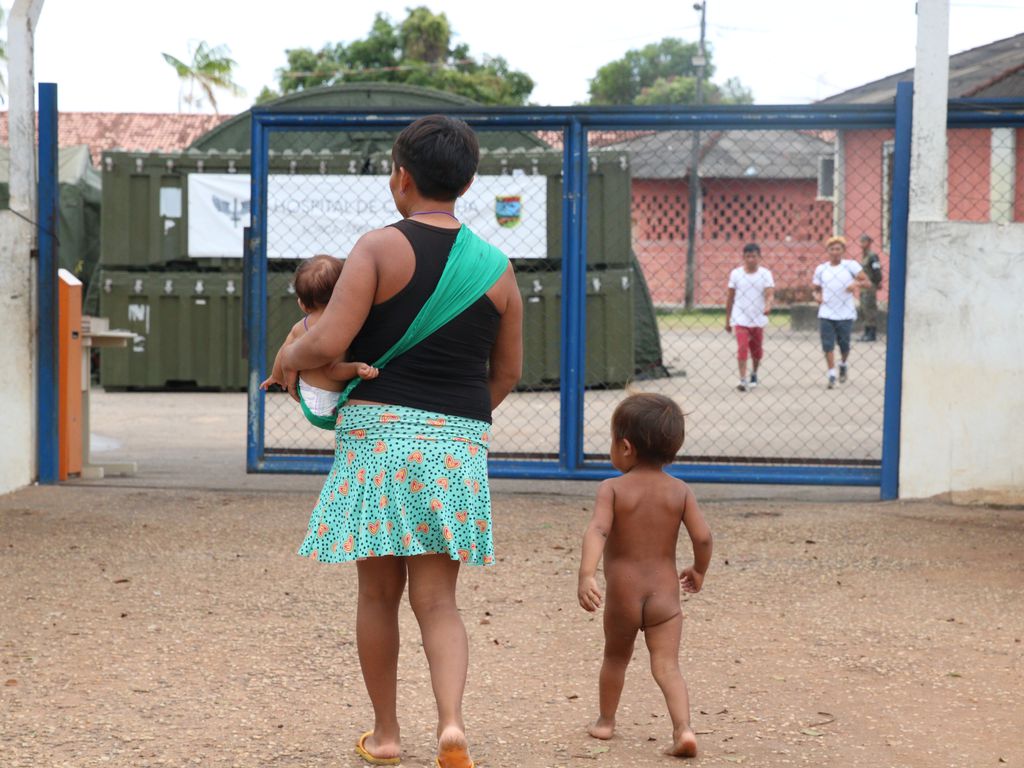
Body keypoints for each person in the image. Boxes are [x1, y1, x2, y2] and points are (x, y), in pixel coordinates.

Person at [265, 115, 524, 768]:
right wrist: (448, 427)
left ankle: (386, 735)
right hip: (456, 446)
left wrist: (288, 358)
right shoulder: (498, 270)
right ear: (467, 183)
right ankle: (452, 725)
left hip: (378, 442)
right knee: (439, 601)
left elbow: (328, 340)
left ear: (401, 178)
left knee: (378, 596)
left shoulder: (378, 248)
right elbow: (506, 375)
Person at [577, 393, 713, 759]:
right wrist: (699, 569)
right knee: (667, 665)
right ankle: (683, 728)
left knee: (615, 659)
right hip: (664, 597)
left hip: (623, 595)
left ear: (625, 446)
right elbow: (703, 537)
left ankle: (606, 721)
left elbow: (598, 530)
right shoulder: (680, 491)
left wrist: (587, 574)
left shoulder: (612, 489)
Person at [260, 254, 379, 430]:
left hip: (309, 400)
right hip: (330, 407)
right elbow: (332, 371)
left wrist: (276, 376)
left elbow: (284, 353)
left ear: (302, 304)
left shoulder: (299, 328)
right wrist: (356, 368)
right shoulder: (342, 325)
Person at [812, 235, 870, 389]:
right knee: (827, 344)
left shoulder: (850, 266)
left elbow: (867, 282)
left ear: (843, 251)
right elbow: (816, 288)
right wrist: (817, 296)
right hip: (826, 312)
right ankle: (831, 373)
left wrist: (856, 284)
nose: (835, 252)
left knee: (844, 344)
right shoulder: (821, 269)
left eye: (838, 249)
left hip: (845, 313)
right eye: (832, 249)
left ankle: (843, 364)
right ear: (828, 251)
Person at [724, 243, 774, 392]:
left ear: (760, 258)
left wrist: (768, 305)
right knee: (742, 348)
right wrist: (728, 320)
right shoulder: (736, 274)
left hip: (757, 317)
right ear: (743, 258)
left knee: (756, 351)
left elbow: (770, 293)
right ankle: (742, 379)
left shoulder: (765, 274)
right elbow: (730, 297)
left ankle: (754, 373)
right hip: (740, 317)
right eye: (748, 257)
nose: (751, 259)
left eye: (754, 256)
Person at [857, 234, 883, 342]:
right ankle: (866, 332)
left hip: (870, 286)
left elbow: (876, 271)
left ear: (868, 243)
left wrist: (876, 282)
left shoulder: (872, 256)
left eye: (863, 241)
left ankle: (871, 333)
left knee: (870, 309)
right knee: (864, 309)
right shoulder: (865, 256)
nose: (861, 244)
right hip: (863, 286)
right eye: (861, 241)